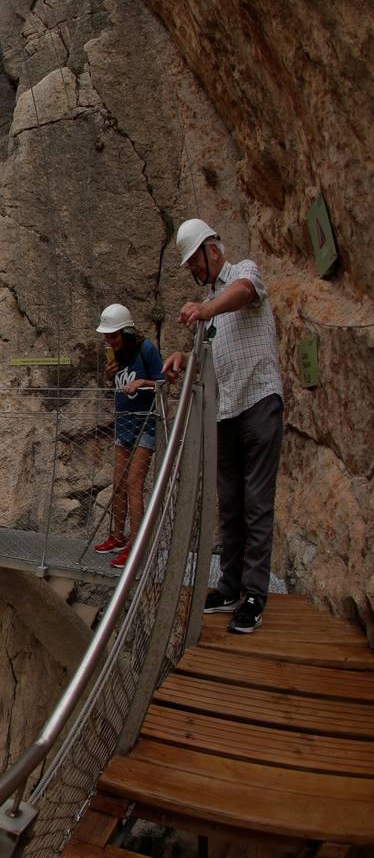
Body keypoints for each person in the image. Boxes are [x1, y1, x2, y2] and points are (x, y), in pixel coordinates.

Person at [163, 218, 283, 635]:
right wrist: (183, 358)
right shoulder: (209, 307)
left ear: (211, 249)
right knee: (229, 504)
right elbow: (209, 352)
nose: (194, 271)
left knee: (256, 503)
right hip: (226, 411)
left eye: (195, 261)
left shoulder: (243, 273)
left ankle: (254, 594)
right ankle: (230, 586)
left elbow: (243, 295)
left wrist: (206, 308)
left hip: (259, 400)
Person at [92, 304, 165, 569]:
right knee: (118, 482)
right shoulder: (116, 356)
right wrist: (108, 376)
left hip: (145, 424)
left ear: (126, 331)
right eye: (107, 337)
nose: (109, 341)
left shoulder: (146, 350)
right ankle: (117, 535)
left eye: (113, 336)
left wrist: (142, 383)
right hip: (123, 424)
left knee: (134, 484)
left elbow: (164, 382)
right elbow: (114, 386)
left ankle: (136, 546)